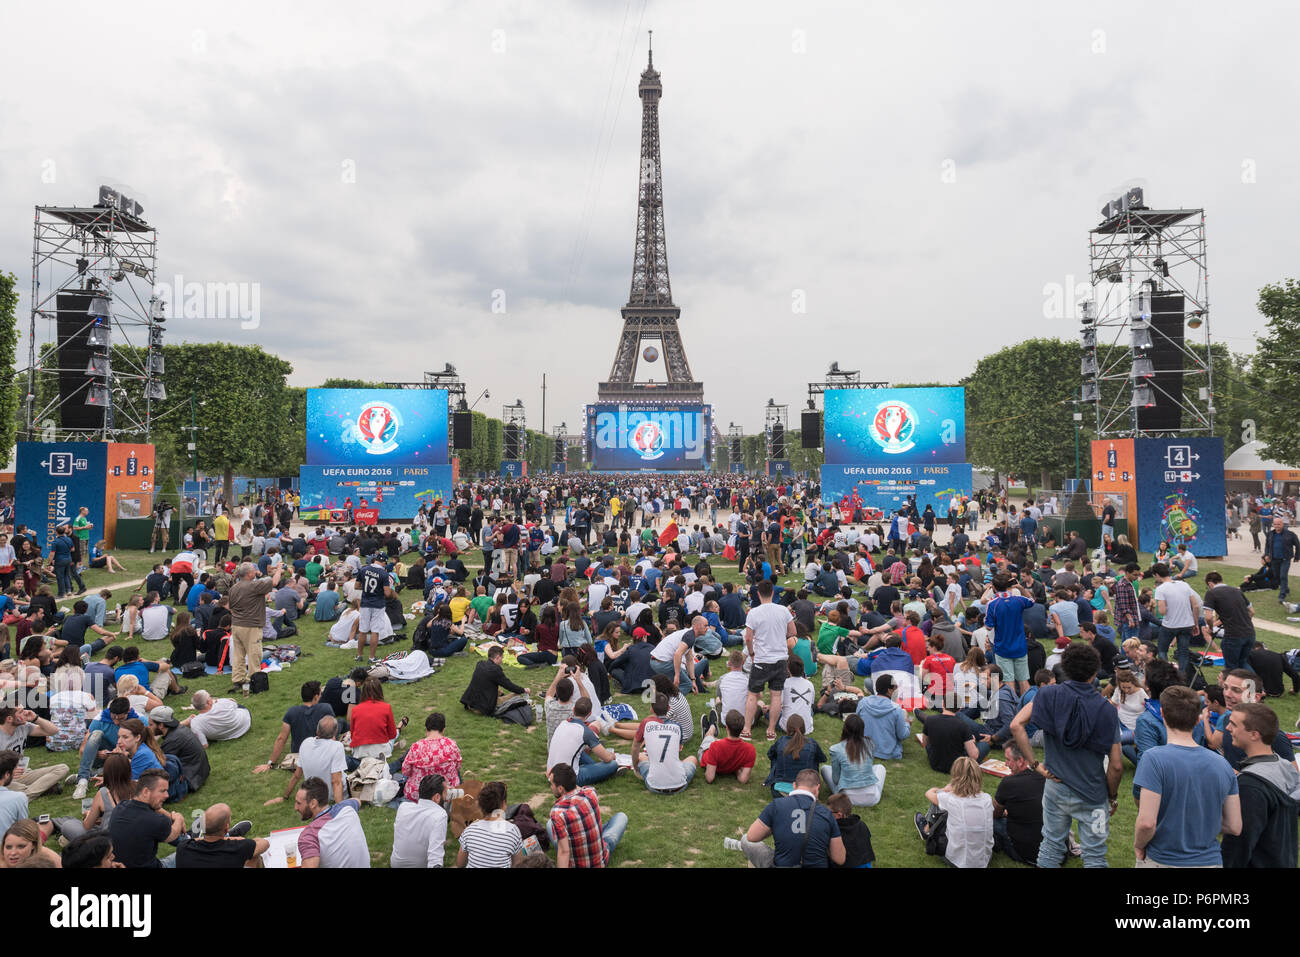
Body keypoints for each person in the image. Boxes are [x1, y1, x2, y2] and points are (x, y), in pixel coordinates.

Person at [1009, 642, 1122, 869]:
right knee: (1095, 856)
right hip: (1093, 793)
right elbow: (1117, 765)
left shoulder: (1047, 694)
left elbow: (1016, 724)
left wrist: (1034, 764)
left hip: (1056, 788)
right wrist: (1111, 795)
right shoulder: (1106, 709)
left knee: (1051, 846)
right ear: (1094, 672)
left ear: (1065, 668)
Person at [1133, 685, 1241, 867]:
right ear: (1198, 720)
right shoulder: (1222, 764)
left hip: (1164, 859)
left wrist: (1138, 845)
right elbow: (1234, 825)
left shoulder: (1153, 759)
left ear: (1162, 714)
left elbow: (1146, 823)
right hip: (1210, 861)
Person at [1219, 703, 1300, 868]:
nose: (1227, 728)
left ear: (1254, 734)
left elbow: (1240, 842)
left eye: (1233, 724)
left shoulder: (1251, 784)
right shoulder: (1284, 766)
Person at [725, 767, 845, 868]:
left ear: (794, 785)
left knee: (746, 839)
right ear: (817, 788)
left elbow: (752, 836)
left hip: (784, 864)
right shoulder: (827, 813)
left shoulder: (776, 805)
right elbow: (839, 858)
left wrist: (774, 827)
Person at [916, 755, 994, 868]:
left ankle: (927, 830)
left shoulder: (951, 799)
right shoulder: (987, 798)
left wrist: (944, 789)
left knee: (937, 799)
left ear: (955, 776)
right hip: (984, 859)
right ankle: (928, 829)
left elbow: (929, 793)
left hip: (958, 861)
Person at [742, 579, 795, 741]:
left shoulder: (753, 612)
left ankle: (747, 729)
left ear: (758, 594)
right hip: (779, 659)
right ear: (773, 593)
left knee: (752, 695)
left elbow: (749, 638)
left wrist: (751, 654)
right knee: (776, 695)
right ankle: (771, 729)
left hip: (761, 659)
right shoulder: (783, 611)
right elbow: (792, 631)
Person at [546, 762, 627, 868]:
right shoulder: (590, 793)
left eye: (551, 783)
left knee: (549, 824)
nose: (551, 787)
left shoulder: (557, 813)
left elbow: (564, 852)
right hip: (600, 862)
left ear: (560, 789)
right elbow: (579, 788)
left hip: (576, 862)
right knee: (621, 817)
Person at [108, 768, 188, 868]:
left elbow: (154, 808)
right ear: (146, 792)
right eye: (163, 791)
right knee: (189, 854)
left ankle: (189, 840)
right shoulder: (155, 821)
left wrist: (170, 815)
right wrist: (179, 818)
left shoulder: (120, 806)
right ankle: (192, 842)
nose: (167, 795)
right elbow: (173, 834)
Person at [227, 561, 282, 689]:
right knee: (254, 654)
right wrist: (279, 568)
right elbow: (274, 582)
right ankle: (254, 679)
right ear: (248, 574)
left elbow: (231, 607)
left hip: (236, 625)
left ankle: (238, 679)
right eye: (253, 570)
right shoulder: (253, 586)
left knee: (238, 654)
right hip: (251, 626)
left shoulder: (233, 588)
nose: (255, 572)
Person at [294, 776, 370, 868]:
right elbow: (357, 800)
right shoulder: (347, 808)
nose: (295, 808)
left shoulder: (309, 836)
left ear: (313, 803)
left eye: (298, 803)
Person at [991, 741, 1044, 864]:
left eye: (1008, 760)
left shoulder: (1009, 783)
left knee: (987, 819)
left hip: (1028, 853)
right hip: (1056, 851)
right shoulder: (1044, 776)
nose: (1006, 763)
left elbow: (994, 814)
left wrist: (1004, 813)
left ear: (1020, 760)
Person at [636, 692, 697, 793]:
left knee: (641, 756)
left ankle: (613, 727)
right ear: (669, 708)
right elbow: (678, 749)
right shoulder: (677, 726)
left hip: (654, 785)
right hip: (679, 785)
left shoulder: (647, 724)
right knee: (692, 759)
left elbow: (636, 746)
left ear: (651, 708)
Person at [820, 713, 886, 807]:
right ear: (862, 729)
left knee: (824, 768)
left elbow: (836, 779)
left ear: (845, 729)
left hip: (845, 799)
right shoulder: (870, 743)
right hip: (872, 798)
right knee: (880, 767)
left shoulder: (835, 749)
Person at [1152, 562, 1202, 682]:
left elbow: (1162, 611)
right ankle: (1182, 678)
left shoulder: (1160, 589)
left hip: (1170, 625)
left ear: (1157, 575)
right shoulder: (1184, 585)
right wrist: (1195, 623)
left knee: (1162, 650)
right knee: (1183, 652)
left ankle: (1166, 676)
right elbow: (1195, 606)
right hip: (1186, 624)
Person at [0, 707, 66, 797]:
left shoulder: (23, 726)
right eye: (21, 712)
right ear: (9, 719)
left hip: (23, 773)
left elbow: (53, 731)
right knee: (14, 787)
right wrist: (7, 771)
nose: (25, 713)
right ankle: (38, 790)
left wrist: (36, 718)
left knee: (63, 768)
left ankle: (27, 793)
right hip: (4, 777)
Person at [456, 781, 524, 868]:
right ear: (503, 804)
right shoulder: (513, 831)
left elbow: (460, 864)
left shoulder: (469, 830)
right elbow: (518, 864)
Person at [176, 804, 265, 868]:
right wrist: (237, 839)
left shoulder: (183, 847)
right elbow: (264, 843)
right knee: (254, 856)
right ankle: (229, 834)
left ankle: (196, 833)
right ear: (226, 828)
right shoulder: (240, 847)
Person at [390, 772, 449, 868]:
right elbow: (435, 855)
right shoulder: (440, 815)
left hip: (396, 864)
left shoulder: (403, 807)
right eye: (446, 793)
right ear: (437, 797)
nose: (448, 796)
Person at [1201, 571, 1256, 672]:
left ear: (1210, 584)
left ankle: (1231, 686)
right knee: (1243, 663)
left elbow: (1208, 617)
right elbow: (1252, 611)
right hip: (1250, 633)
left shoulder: (1212, 593)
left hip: (1233, 636)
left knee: (1231, 667)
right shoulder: (1237, 591)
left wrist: (1211, 629)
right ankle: (1256, 686)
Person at [401, 712, 462, 801]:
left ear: (426, 729)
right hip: (446, 794)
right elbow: (458, 766)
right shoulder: (452, 745)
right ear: (443, 729)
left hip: (418, 795)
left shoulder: (416, 747)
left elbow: (405, 771)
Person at [459, 645, 530, 718]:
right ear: (498, 657)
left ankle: (501, 695)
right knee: (517, 695)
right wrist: (523, 690)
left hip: (469, 703)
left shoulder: (480, 664)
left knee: (494, 683)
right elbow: (509, 685)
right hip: (482, 708)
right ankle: (502, 698)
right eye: (502, 657)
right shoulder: (495, 670)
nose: (502, 660)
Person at [765, 714, 825, 797]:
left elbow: (770, 755)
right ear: (803, 728)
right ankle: (810, 784)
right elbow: (822, 758)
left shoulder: (781, 741)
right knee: (815, 759)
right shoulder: (812, 743)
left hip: (779, 793)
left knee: (776, 757)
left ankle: (778, 781)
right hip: (807, 793)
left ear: (788, 728)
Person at [698, 709, 756, 784]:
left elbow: (709, 778)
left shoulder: (715, 746)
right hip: (720, 747)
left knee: (709, 737)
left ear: (727, 728)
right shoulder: (750, 749)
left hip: (705, 753)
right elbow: (743, 779)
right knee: (716, 740)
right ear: (742, 730)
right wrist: (736, 769)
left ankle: (711, 728)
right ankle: (712, 727)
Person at [183, 690, 252, 747]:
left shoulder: (195, 723)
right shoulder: (222, 703)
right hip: (244, 723)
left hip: (224, 734)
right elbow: (235, 703)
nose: (212, 698)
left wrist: (184, 723)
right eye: (210, 697)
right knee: (236, 706)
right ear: (209, 702)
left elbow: (204, 745)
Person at [1263, 514, 1300, 603]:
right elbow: (1267, 545)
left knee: (1283, 576)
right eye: (1275, 524)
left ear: (1282, 524)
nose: (1276, 526)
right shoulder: (1270, 534)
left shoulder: (1290, 534)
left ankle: (1282, 596)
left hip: (1285, 559)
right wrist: (1266, 555)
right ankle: (1286, 589)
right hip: (1274, 559)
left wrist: (1297, 556)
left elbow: (1298, 545)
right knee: (1277, 577)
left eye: (1278, 524)